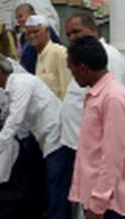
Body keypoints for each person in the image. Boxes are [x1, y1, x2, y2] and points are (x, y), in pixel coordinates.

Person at [0, 54, 71, 219]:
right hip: (47, 139)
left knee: (56, 185)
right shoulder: (13, 88)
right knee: (52, 184)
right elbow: (6, 116)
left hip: (56, 138)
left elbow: (14, 121)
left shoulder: (21, 83)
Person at [61, 14, 125, 218]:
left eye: (72, 71)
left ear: (83, 68)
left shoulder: (112, 97)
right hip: (95, 195)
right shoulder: (96, 92)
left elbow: (113, 156)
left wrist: (98, 202)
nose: (73, 76)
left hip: (108, 202)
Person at [25, 15, 71, 99]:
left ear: (47, 32)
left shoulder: (59, 53)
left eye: (36, 32)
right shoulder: (36, 55)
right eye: (28, 33)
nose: (32, 36)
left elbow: (67, 88)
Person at [15, 3, 60, 73]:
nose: (18, 21)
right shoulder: (22, 37)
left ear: (32, 14)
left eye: (20, 16)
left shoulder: (46, 29)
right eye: (17, 18)